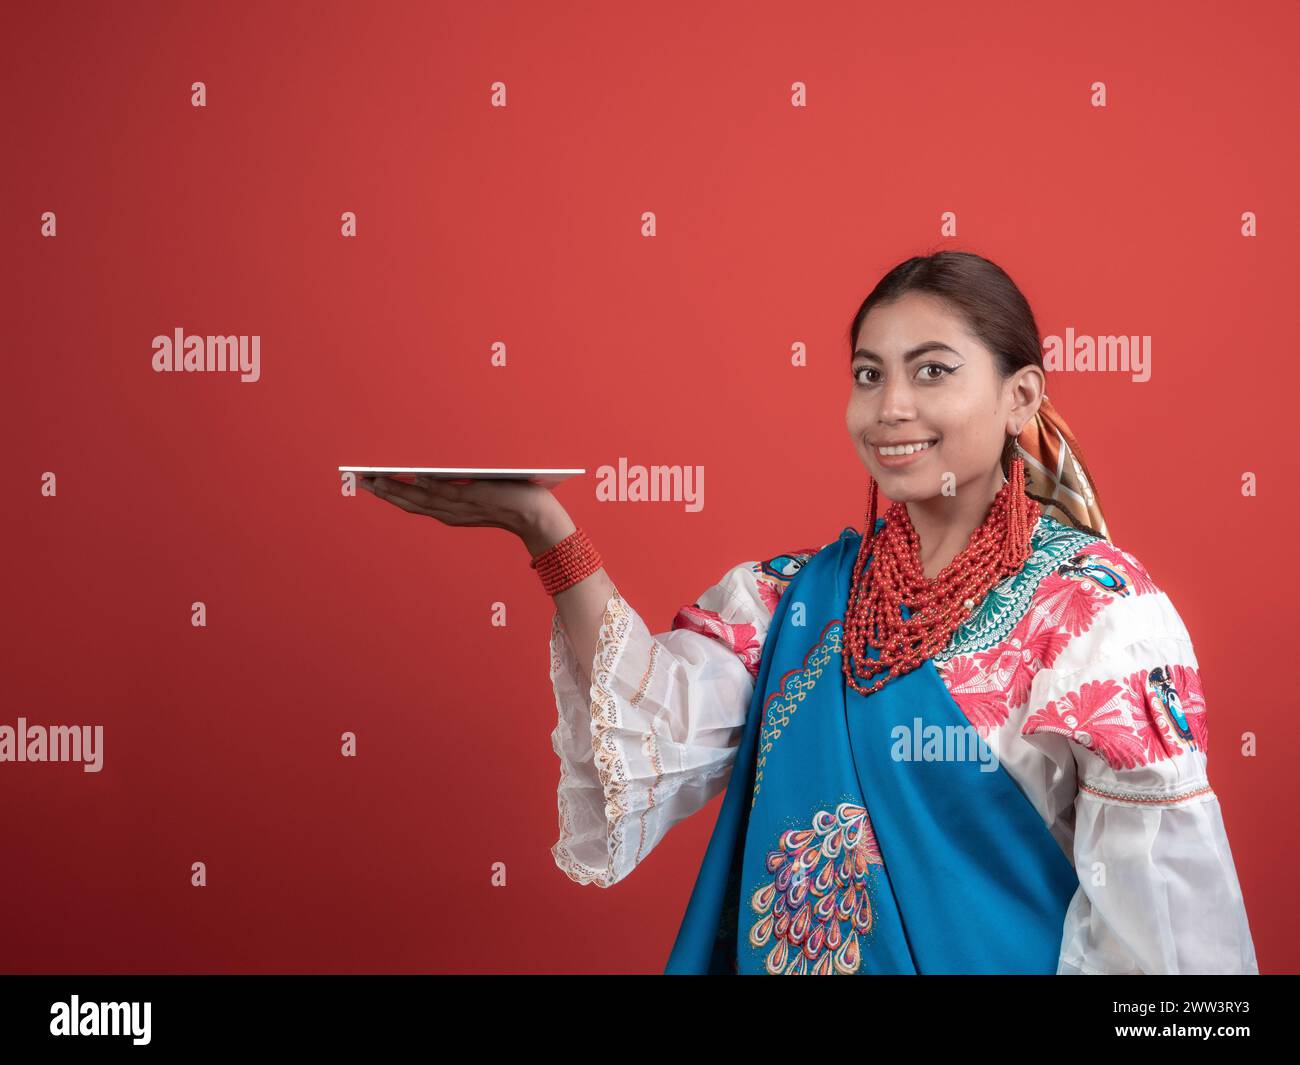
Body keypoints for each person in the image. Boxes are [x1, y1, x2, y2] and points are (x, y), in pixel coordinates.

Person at [357, 250, 1258, 976]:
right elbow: (645, 728)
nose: (891, 407)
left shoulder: (1097, 614)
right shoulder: (795, 598)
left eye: (931, 370)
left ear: (1022, 396)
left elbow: (1166, 938)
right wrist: (545, 530)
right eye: (870, 374)